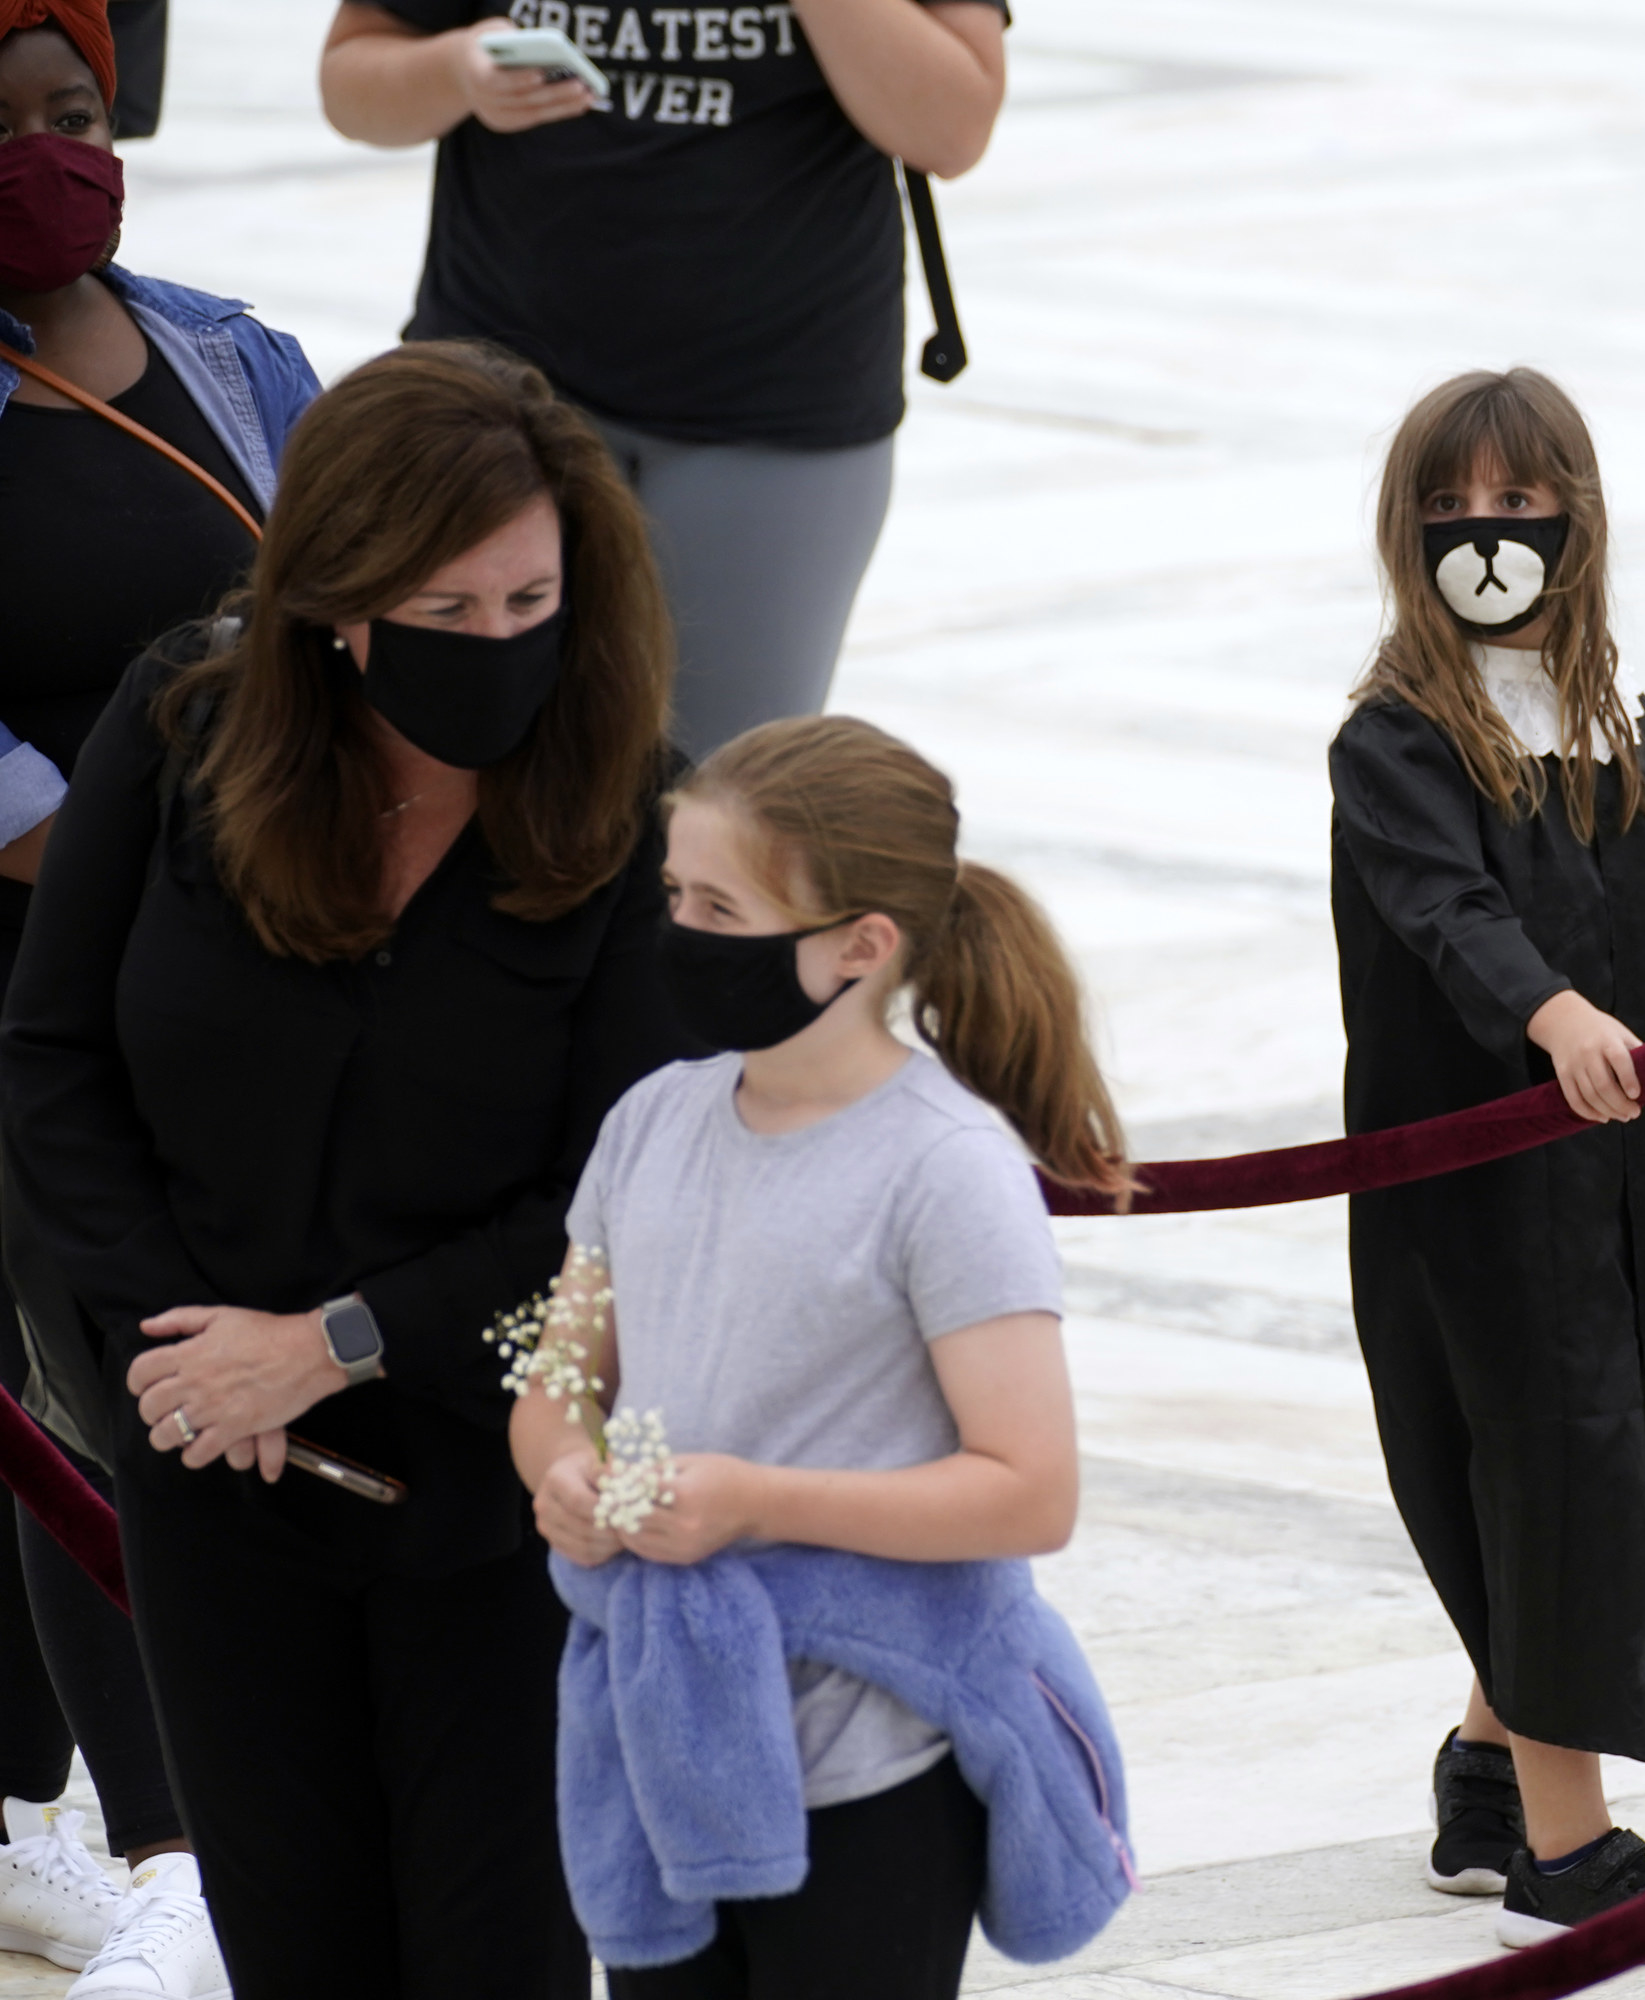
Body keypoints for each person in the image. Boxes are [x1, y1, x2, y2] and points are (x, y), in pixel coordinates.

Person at [0, 339, 687, 1998]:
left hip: (504, 1482)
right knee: (292, 1933)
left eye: (530, 604)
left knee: (492, 1943)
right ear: (335, 598)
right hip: (213, 1467)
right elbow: (50, 1057)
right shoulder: (186, 734)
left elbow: (629, 1201)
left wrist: (333, 1344)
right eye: (448, 614)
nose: (499, 648)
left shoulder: (643, 822)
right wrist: (190, 1355)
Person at [513, 716, 1132, 1999]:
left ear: (862, 944)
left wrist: (757, 1499)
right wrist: (562, 1466)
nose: (677, 931)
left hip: (875, 1762)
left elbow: (1031, 1487)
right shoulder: (650, 1119)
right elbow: (560, 1374)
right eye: (672, 892)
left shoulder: (945, 1168)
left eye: (720, 909)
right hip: (665, 1728)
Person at [1330, 368, 1645, 1962]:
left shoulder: (1619, 718)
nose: (1487, 537)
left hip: (1642, 1185)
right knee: (1555, 1477)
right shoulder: (1395, 737)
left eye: (1518, 507)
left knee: (1631, 1464)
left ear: (1573, 521)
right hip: (1488, 1194)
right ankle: (1567, 1853)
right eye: (1455, 510)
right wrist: (1555, 1009)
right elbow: (1450, 911)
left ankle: (1483, 1773)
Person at [0, 0, 317, 1987]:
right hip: (30, 960)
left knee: (133, 1363)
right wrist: (132, 822)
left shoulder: (224, 340)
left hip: (219, 958)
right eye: (8, 121)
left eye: (77, 111)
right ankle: (175, 1841)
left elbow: (353, 575)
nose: (54, 149)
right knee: (73, 1372)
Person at [315, 0, 1009, 754]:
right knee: (449, 762)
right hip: (498, 398)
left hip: (775, 407)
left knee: (715, 803)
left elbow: (951, 128)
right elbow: (350, 83)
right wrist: (454, 70)